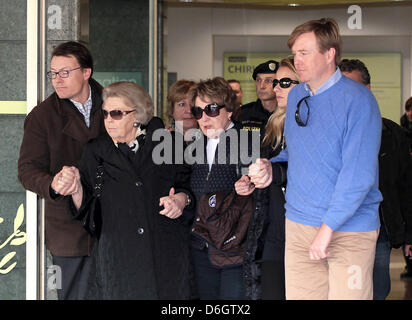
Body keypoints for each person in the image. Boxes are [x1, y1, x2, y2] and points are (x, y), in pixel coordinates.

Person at [246, 18, 382, 300]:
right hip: (299, 225)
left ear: (330, 54)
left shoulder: (359, 101)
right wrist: (271, 167)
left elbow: (358, 176)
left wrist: (327, 228)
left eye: (304, 53)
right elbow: (296, 152)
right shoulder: (297, 96)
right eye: (295, 53)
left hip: (348, 230)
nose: (297, 61)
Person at [60, 81, 195, 299]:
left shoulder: (169, 143)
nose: (108, 120)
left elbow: (187, 187)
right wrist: (75, 190)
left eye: (116, 114)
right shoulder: (95, 150)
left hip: (163, 256)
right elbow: (86, 210)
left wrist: (181, 199)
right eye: (105, 114)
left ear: (137, 115)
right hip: (117, 259)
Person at [18, 41, 105, 300]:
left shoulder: (114, 102)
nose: (57, 80)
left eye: (65, 72)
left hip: (115, 221)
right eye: (53, 73)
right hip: (69, 229)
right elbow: (27, 170)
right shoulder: (42, 116)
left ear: (86, 72)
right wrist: (52, 184)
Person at [339, 58, 412, 299]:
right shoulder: (327, 135)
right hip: (334, 231)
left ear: (367, 90)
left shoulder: (393, 135)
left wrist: (408, 235)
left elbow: (405, 187)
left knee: (377, 290)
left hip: (377, 230)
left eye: (352, 87)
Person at [237, 57, 299, 300]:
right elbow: (271, 164)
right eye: (274, 83)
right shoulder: (275, 122)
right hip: (273, 225)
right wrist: (252, 179)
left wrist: (274, 171)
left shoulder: (315, 120)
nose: (274, 88)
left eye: (283, 82)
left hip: (304, 226)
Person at [187, 77, 250, 300]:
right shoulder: (193, 144)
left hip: (234, 249)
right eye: (198, 111)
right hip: (200, 246)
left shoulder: (247, 141)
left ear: (229, 110)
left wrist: (249, 183)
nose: (204, 118)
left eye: (212, 110)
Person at [240, 60, 279, 143]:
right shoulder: (243, 114)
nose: (261, 86)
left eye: (268, 81)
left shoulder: (289, 114)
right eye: (258, 80)